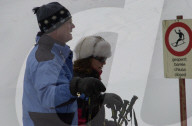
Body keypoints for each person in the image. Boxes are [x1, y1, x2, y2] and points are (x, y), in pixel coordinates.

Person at [22, 2, 106, 126]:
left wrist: (97, 99)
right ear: (56, 26)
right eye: (69, 22)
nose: (73, 26)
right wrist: (77, 86)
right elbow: (48, 97)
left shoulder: (57, 54)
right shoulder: (45, 57)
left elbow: (66, 93)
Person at [73, 36, 123, 126]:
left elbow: (91, 117)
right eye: (101, 59)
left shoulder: (93, 79)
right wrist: (99, 100)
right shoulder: (77, 82)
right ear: (87, 59)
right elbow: (78, 113)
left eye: (106, 58)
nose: (104, 63)